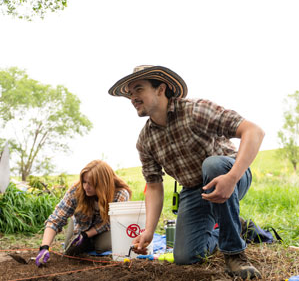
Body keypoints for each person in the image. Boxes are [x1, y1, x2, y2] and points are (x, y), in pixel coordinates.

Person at [108, 65, 265, 279]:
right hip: (194, 191)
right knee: (185, 256)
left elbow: (254, 131)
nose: (132, 97)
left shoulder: (195, 110)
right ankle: (236, 228)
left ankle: (235, 254)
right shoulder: (145, 140)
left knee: (212, 165)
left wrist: (232, 177)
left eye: (138, 89)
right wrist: (149, 231)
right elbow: (154, 186)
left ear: (160, 89)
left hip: (230, 173)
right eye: (130, 93)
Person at [35, 160, 132, 267]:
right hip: (81, 224)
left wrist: (86, 235)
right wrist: (44, 247)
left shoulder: (120, 194)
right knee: (70, 249)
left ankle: (90, 241)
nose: (86, 187)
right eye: (84, 182)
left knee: (101, 246)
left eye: (90, 184)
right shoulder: (76, 190)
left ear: (102, 184)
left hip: (105, 227)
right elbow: (56, 218)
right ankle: (85, 241)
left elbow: (110, 222)